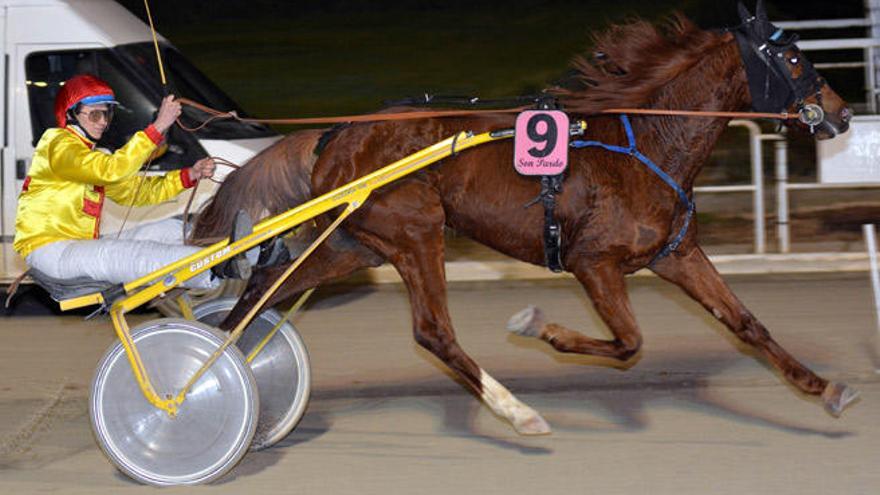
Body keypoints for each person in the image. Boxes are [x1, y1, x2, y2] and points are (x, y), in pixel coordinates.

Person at [13, 73, 224, 289]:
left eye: (107, 115)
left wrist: (189, 175)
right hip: (51, 251)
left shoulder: (89, 156)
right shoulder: (58, 143)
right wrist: (157, 127)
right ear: (71, 114)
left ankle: (228, 246)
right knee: (133, 254)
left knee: (164, 230)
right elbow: (111, 170)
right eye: (95, 115)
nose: (103, 122)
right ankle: (214, 267)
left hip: (78, 246)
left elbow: (135, 193)